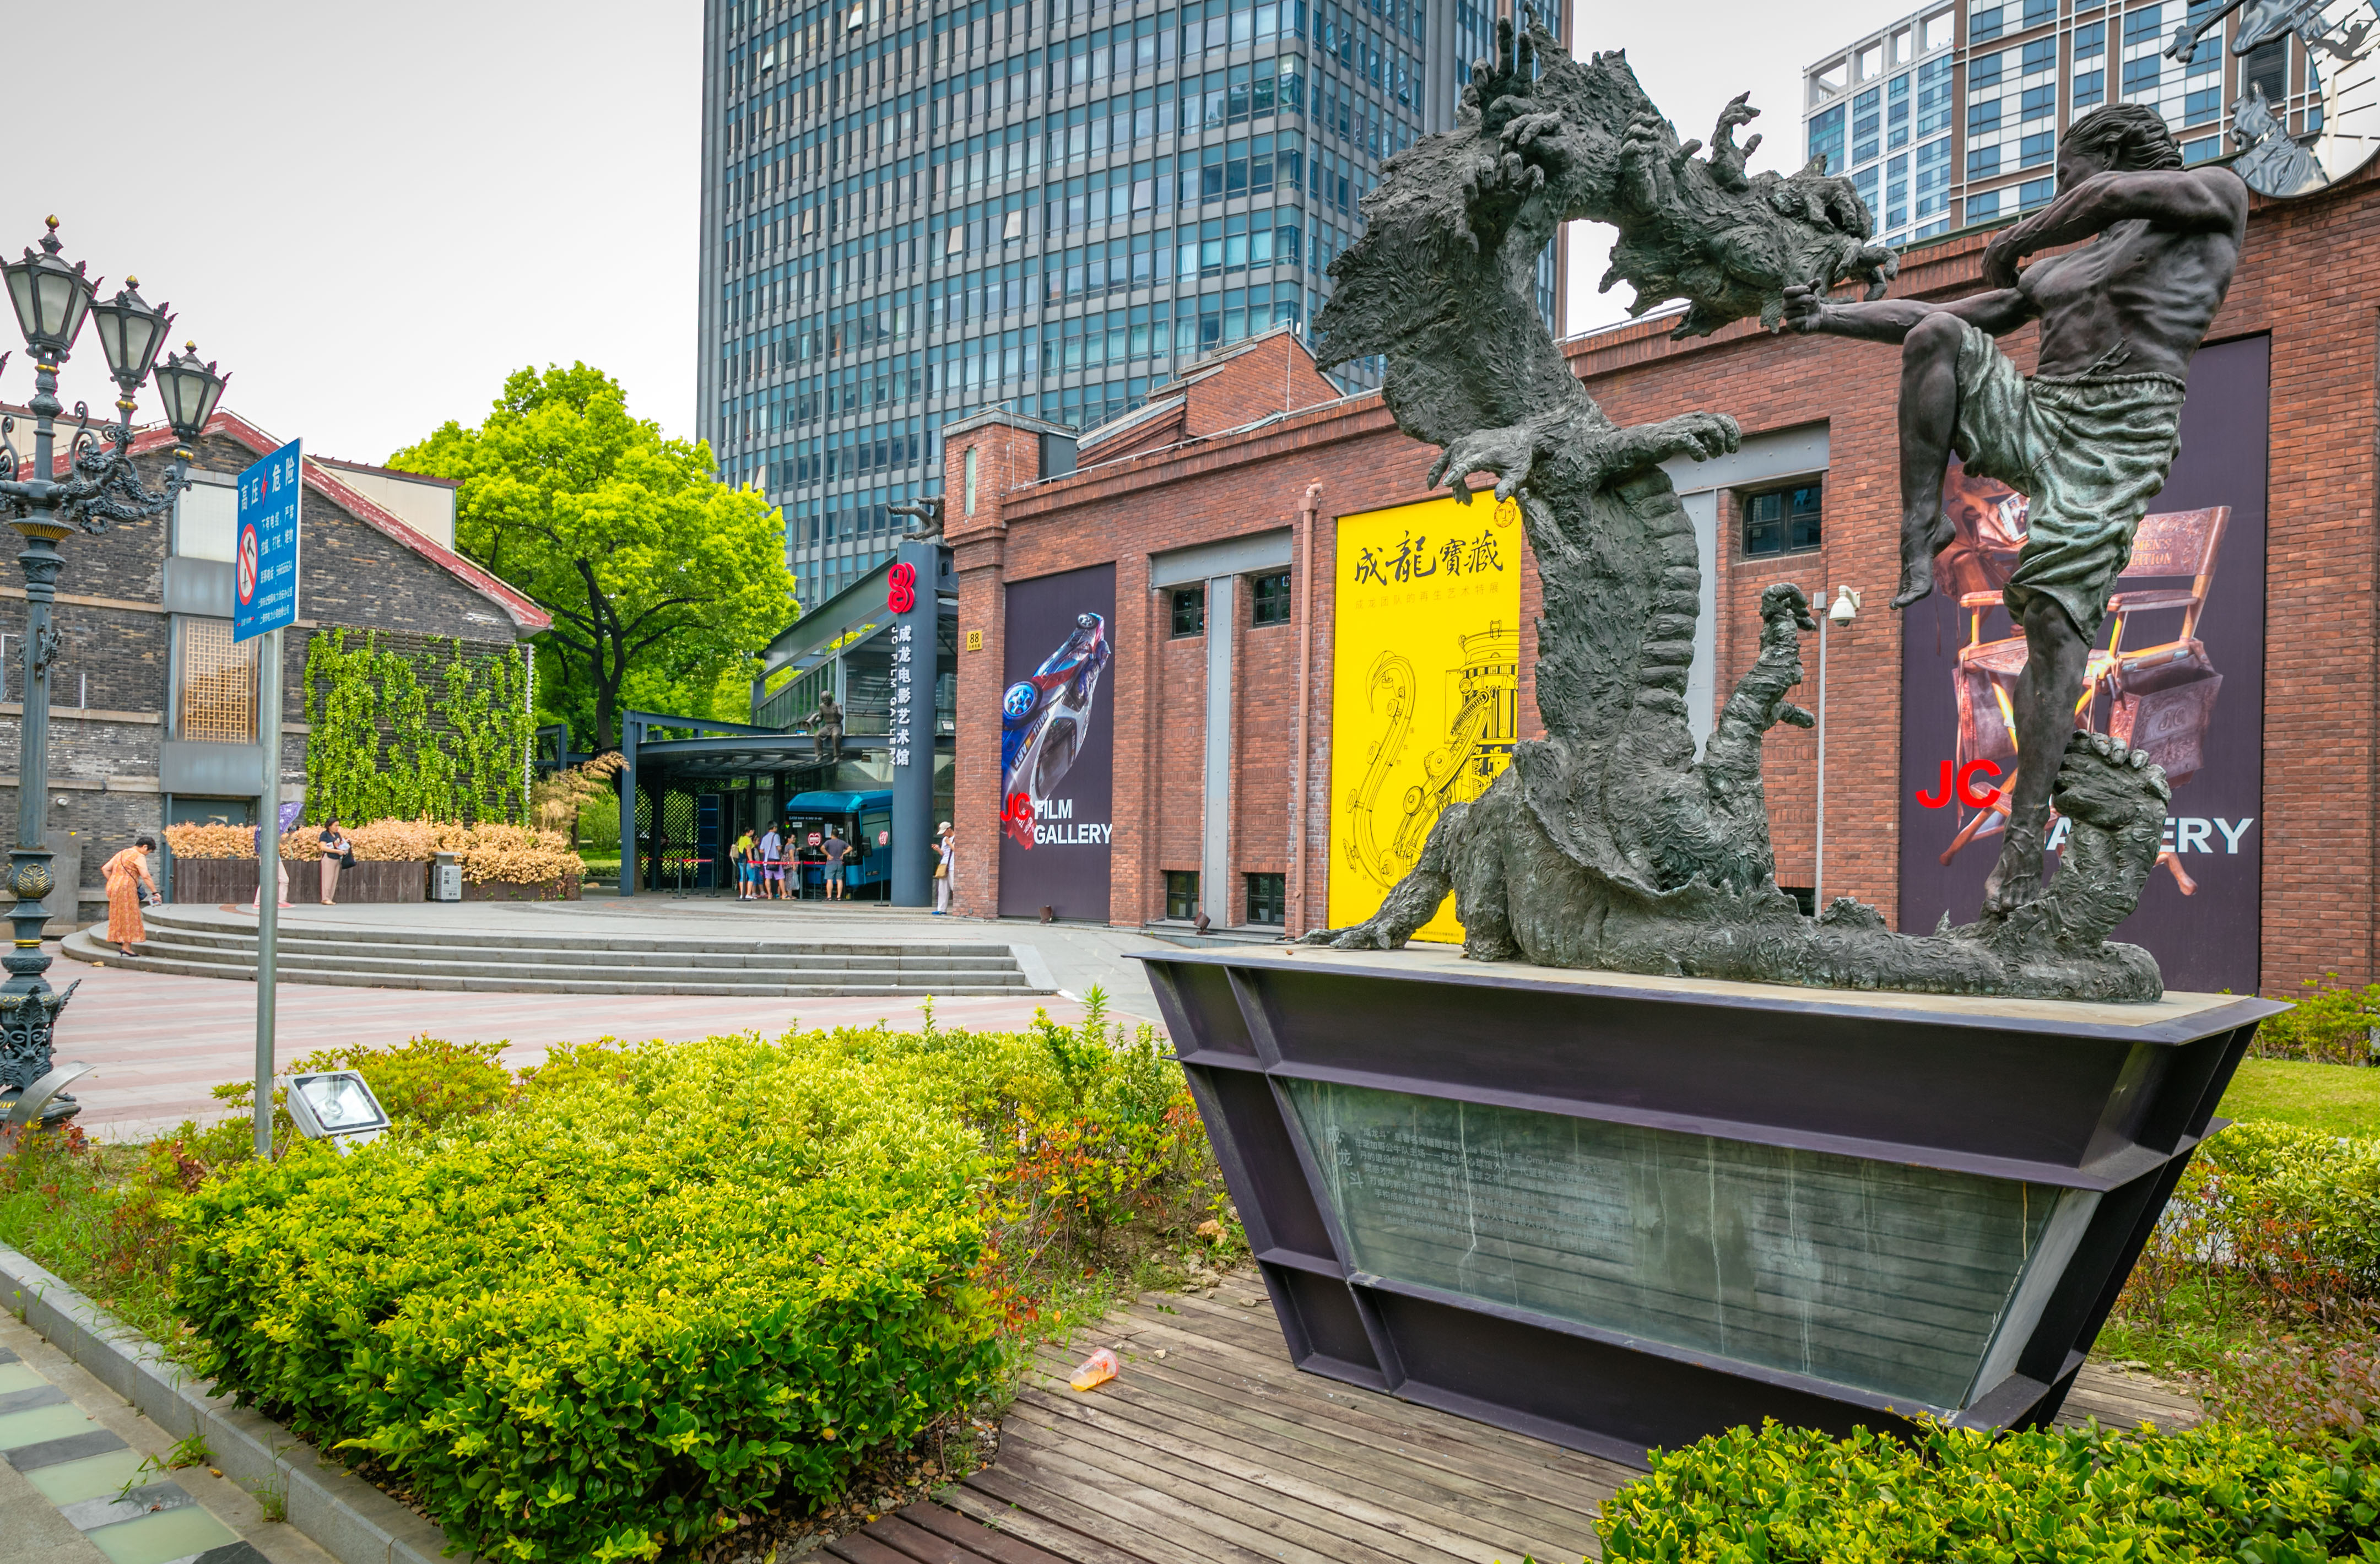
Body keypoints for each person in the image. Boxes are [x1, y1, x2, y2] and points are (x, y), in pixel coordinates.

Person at [1781, 103, 2247, 919]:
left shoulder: (2211, 195)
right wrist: (1825, 317)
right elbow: (1936, 323)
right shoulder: (2068, 267)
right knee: (1937, 338)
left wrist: (2016, 238)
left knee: (2054, 619)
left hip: (2124, 425)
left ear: (2102, 155)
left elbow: (2104, 195)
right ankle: (1921, 521)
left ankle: (2027, 835)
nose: (2061, 188)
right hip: (2042, 411)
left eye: (2064, 168)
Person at [102, 836, 158, 950]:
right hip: (126, 889)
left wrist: (115, 882)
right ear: (145, 847)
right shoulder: (139, 856)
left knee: (117, 915)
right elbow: (146, 876)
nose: (147, 854)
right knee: (131, 917)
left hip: (112, 887)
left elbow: (105, 869)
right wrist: (155, 892)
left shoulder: (122, 853)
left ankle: (119, 938)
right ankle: (126, 948)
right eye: (148, 852)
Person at [318, 818, 353, 906]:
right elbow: (323, 847)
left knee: (334, 879)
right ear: (330, 826)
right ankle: (325, 898)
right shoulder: (325, 834)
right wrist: (337, 851)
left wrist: (345, 844)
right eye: (336, 826)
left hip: (337, 858)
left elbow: (339, 845)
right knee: (328, 879)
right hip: (329, 858)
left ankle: (330, 898)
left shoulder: (337, 835)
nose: (337, 827)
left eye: (338, 825)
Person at [820, 826, 850, 900]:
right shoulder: (842, 842)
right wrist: (843, 854)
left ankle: (829, 897)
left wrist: (828, 855)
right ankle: (839, 897)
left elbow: (822, 848)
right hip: (839, 864)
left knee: (830, 880)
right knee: (839, 880)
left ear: (831, 835)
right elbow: (850, 848)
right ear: (838, 835)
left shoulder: (828, 842)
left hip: (831, 863)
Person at [757, 822, 785, 900]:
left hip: (767, 861)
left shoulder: (765, 838)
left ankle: (769, 894)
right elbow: (779, 848)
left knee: (768, 878)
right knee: (781, 877)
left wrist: (768, 850)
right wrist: (779, 850)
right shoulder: (776, 836)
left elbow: (761, 850)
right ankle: (784, 894)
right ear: (774, 828)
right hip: (775, 860)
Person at [933, 821, 955, 914]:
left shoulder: (955, 838)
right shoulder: (944, 839)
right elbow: (943, 853)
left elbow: (956, 850)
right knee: (942, 889)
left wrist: (949, 843)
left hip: (953, 866)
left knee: (954, 887)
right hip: (944, 866)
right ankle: (941, 909)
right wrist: (938, 849)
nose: (943, 835)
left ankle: (961, 908)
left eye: (944, 832)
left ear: (949, 829)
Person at [732, 826, 757, 900]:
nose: (753, 833)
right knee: (752, 877)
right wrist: (752, 861)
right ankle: (749, 894)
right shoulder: (748, 839)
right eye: (752, 831)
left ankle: (742, 894)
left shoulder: (741, 838)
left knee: (743, 877)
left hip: (741, 860)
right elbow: (749, 851)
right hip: (747, 861)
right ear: (749, 831)